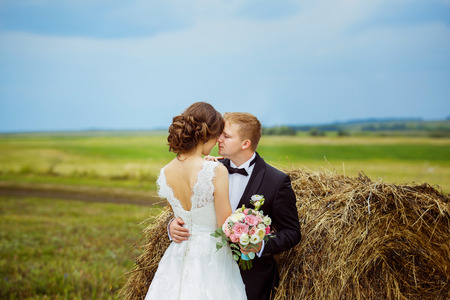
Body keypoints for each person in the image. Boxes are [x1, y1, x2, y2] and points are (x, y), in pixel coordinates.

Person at [169, 112, 302, 300]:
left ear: (245, 143)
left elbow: (292, 232)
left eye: (226, 135)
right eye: (219, 133)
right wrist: (172, 225)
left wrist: (260, 245)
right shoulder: (207, 169)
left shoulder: (276, 181)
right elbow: (187, 206)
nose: (217, 139)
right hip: (206, 271)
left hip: (251, 278)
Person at [144, 102, 247, 299]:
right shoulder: (216, 171)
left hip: (178, 253)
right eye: (218, 135)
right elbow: (224, 224)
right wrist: (250, 227)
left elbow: (183, 215)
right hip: (211, 257)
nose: (218, 140)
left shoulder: (165, 172)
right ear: (207, 135)